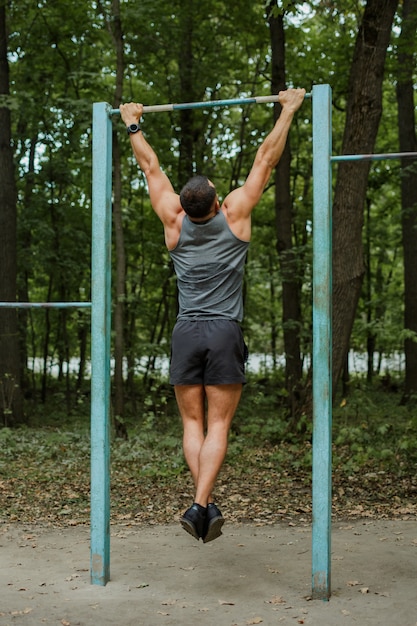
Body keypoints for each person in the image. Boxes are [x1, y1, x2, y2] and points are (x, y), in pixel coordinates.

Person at [119, 88, 305, 543]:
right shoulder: (236, 215)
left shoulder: (173, 222)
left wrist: (132, 124)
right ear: (219, 201)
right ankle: (201, 505)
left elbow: (150, 167)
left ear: (185, 207)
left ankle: (199, 503)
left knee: (193, 424)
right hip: (223, 331)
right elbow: (265, 160)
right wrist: (288, 110)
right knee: (218, 424)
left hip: (186, 331)